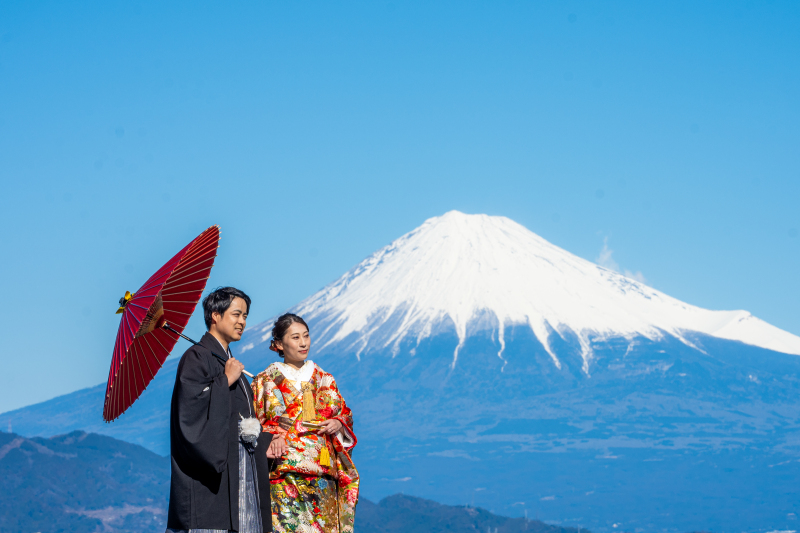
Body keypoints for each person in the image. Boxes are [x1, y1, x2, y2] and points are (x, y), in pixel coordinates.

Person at [167, 287, 273, 533]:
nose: (242, 322)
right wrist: (224, 381)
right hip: (210, 482)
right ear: (215, 315)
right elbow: (190, 411)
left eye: (245, 316)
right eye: (236, 314)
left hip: (240, 471)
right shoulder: (196, 357)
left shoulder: (229, 363)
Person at [252, 313, 359, 533]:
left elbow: (344, 413)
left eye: (306, 336)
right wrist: (273, 434)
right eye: (295, 337)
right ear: (280, 344)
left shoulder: (324, 378)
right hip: (284, 471)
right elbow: (256, 421)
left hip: (321, 472)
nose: (303, 343)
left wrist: (338, 423)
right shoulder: (265, 379)